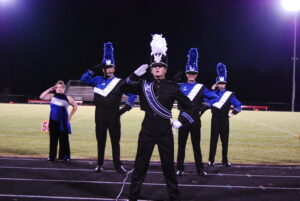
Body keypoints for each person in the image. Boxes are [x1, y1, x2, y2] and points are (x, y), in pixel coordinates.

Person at [125, 34, 194, 201]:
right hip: (147, 128)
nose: (157, 68)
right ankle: (133, 196)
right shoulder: (143, 85)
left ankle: (174, 197)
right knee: (140, 165)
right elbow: (122, 88)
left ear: (165, 69)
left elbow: (190, 106)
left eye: (160, 66)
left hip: (164, 130)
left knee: (168, 167)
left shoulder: (173, 87)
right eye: (154, 66)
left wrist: (181, 120)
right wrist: (134, 75)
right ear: (150, 69)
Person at [80, 42, 137, 173]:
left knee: (115, 141)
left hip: (114, 114)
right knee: (101, 140)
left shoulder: (120, 82)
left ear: (114, 68)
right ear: (103, 69)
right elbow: (83, 78)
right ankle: (100, 164)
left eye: (111, 67)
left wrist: (125, 109)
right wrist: (95, 68)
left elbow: (132, 95)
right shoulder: (97, 80)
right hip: (99, 114)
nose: (108, 69)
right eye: (106, 67)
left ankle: (118, 165)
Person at [176, 48, 218, 177]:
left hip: (195, 120)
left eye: (193, 73)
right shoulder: (180, 86)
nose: (191, 75)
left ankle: (200, 169)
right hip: (182, 119)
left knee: (196, 146)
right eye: (189, 73)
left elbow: (214, 97)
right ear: (186, 73)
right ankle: (180, 168)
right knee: (181, 146)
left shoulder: (201, 87)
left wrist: (204, 106)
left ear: (196, 74)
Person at [208, 63, 241, 167]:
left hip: (224, 120)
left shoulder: (230, 94)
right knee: (213, 140)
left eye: (223, 83)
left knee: (224, 141)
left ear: (225, 84)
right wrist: (211, 90)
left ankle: (225, 161)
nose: (221, 85)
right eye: (219, 83)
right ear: (217, 84)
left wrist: (231, 115)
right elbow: (204, 100)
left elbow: (238, 106)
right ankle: (211, 160)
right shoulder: (212, 93)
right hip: (215, 119)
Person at [40, 80, 78, 162]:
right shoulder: (52, 96)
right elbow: (42, 97)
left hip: (63, 122)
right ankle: (52, 156)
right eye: (57, 87)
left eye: (61, 87)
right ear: (55, 88)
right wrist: (50, 89)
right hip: (53, 121)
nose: (59, 89)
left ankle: (65, 156)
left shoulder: (67, 97)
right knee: (53, 140)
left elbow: (75, 106)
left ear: (64, 89)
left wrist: (70, 115)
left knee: (64, 140)